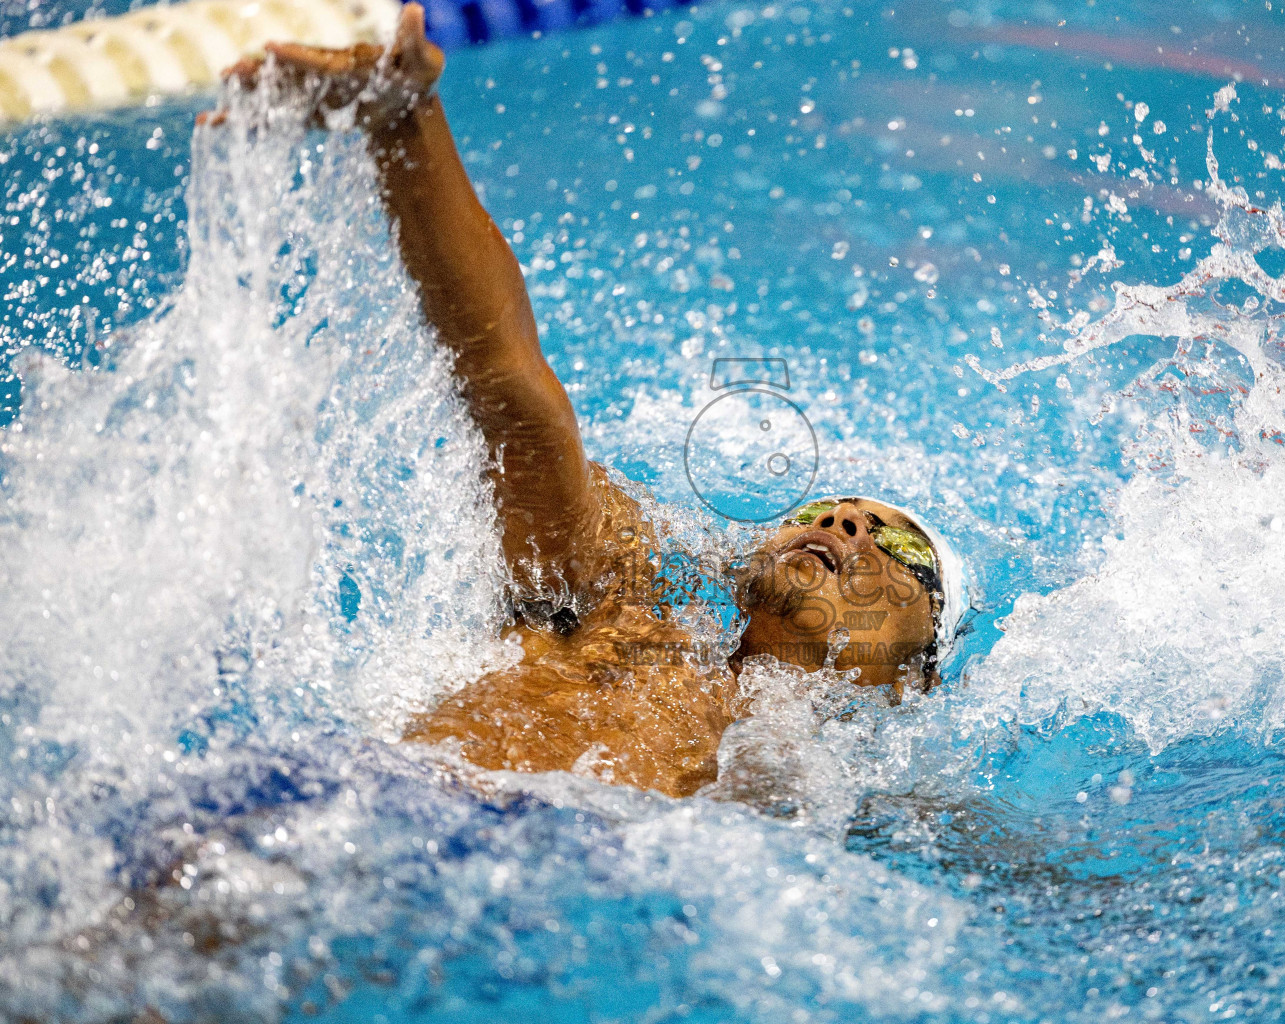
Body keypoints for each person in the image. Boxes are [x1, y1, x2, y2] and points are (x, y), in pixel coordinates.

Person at [207, 4, 969, 797]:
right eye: (827, 508)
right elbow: (510, 393)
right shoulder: (624, 612)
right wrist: (403, 122)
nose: (844, 523)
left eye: (901, 548)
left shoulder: (833, 801)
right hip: (357, 801)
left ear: (908, 683)